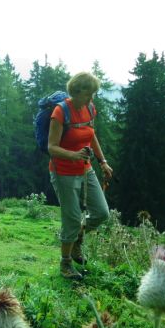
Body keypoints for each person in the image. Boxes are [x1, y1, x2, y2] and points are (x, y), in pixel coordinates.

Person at [47, 72, 113, 280]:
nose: (91, 99)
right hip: (63, 173)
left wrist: (103, 162)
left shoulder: (89, 108)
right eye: (88, 94)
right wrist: (74, 155)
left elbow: (91, 136)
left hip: (86, 169)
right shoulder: (60, 112)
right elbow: (51, 147)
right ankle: (65, 263)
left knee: (102, 213)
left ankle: (77, 241)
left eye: (93, 94)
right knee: (72, 219)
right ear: (76, 92)